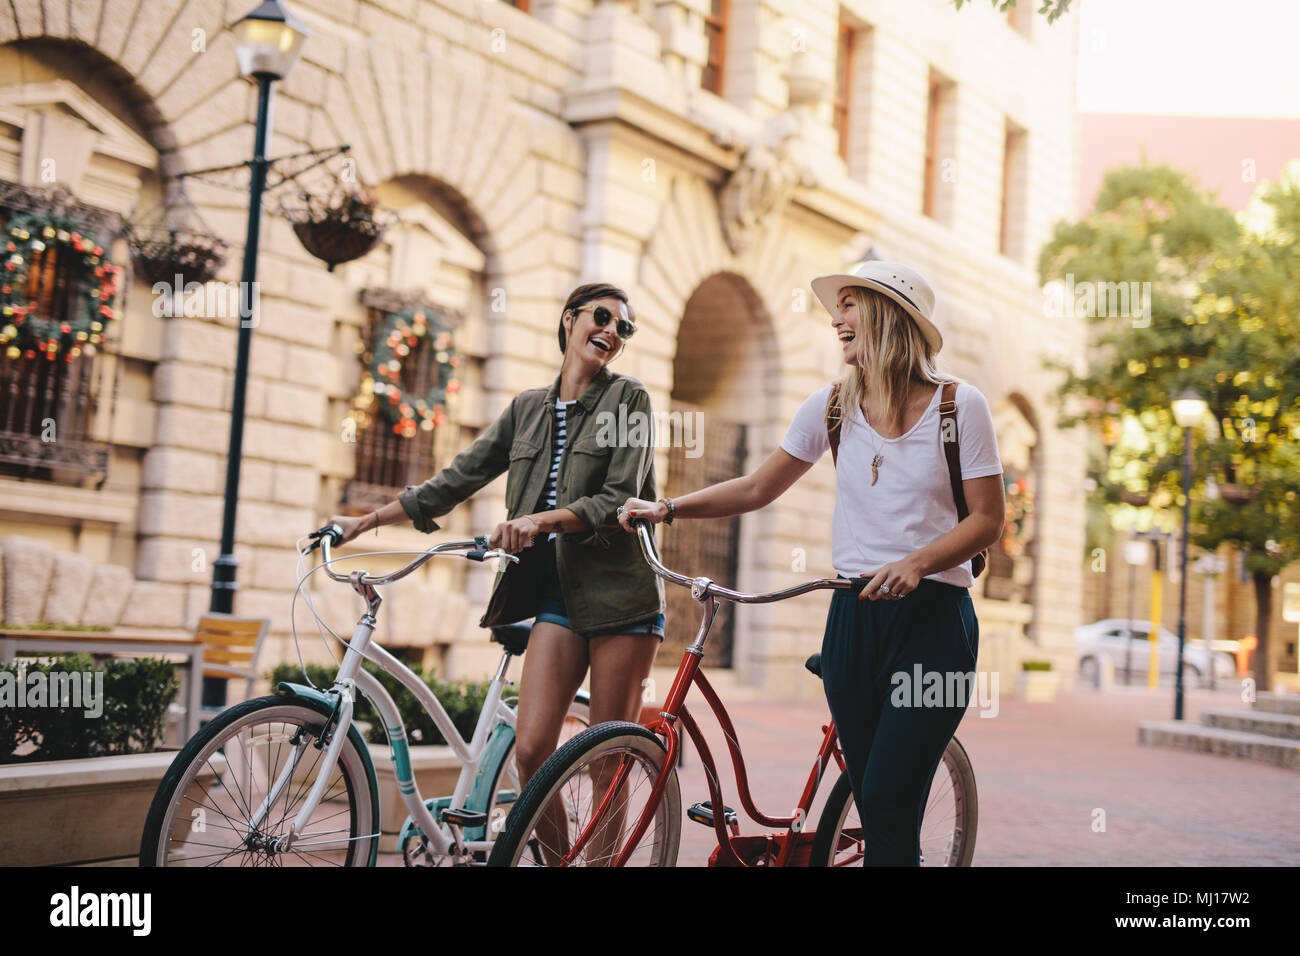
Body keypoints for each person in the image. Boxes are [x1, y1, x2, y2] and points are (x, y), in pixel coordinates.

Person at [619, 261, 1005, 866]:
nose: (836, 319)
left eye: (850, 306)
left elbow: (987, 520)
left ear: (888, 316)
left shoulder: (960, 407)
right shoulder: (831, 408)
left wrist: (917, 562)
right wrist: (666, 509)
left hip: (934, 624)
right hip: (852, 615)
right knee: (876, 809)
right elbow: (755, 488)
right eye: (838, 307)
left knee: (887, 796)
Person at [326, 283, 666, 834]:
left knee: (607, 758)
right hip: (556, 593)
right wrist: (361, 523)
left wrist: (538, 520)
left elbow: (618, 499)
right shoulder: (527, 409)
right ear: (569, 319)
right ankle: (560, 859)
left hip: (619, 596)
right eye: (600, 317)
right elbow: (456, 478)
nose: (610, 331)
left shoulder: (628, 400)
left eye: (622, 327)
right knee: (532, 751)